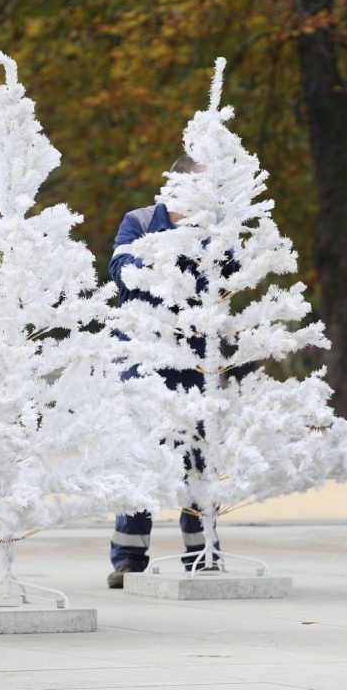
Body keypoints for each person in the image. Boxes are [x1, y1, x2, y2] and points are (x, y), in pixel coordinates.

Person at [106, 155, 219, 589]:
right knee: (142, 456)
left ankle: (202, 552)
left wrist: (180, 262)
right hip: (145, 360)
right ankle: (129, 558)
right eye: (204, 182)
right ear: (179, 181)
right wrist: (177, 258)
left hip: (197, 361)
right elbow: (122, 273)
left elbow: (222, 276)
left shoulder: (215, 227)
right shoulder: (138, 220)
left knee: (198, 457)